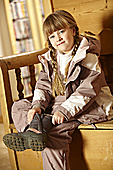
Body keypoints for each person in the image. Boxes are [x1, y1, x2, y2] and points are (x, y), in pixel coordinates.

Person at [3, 10, 113, 169]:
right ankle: (33, 130)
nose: (58, 38)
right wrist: (37, 106)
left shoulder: (87, 55)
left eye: (61, 31)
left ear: (73, 30)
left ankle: (38, 130)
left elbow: (87, 91)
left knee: (53, 135)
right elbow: (43, 86)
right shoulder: (50, 58)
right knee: (18, 106)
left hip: (91, 105)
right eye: (52, 36)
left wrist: (64, 111)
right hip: (58, 104)